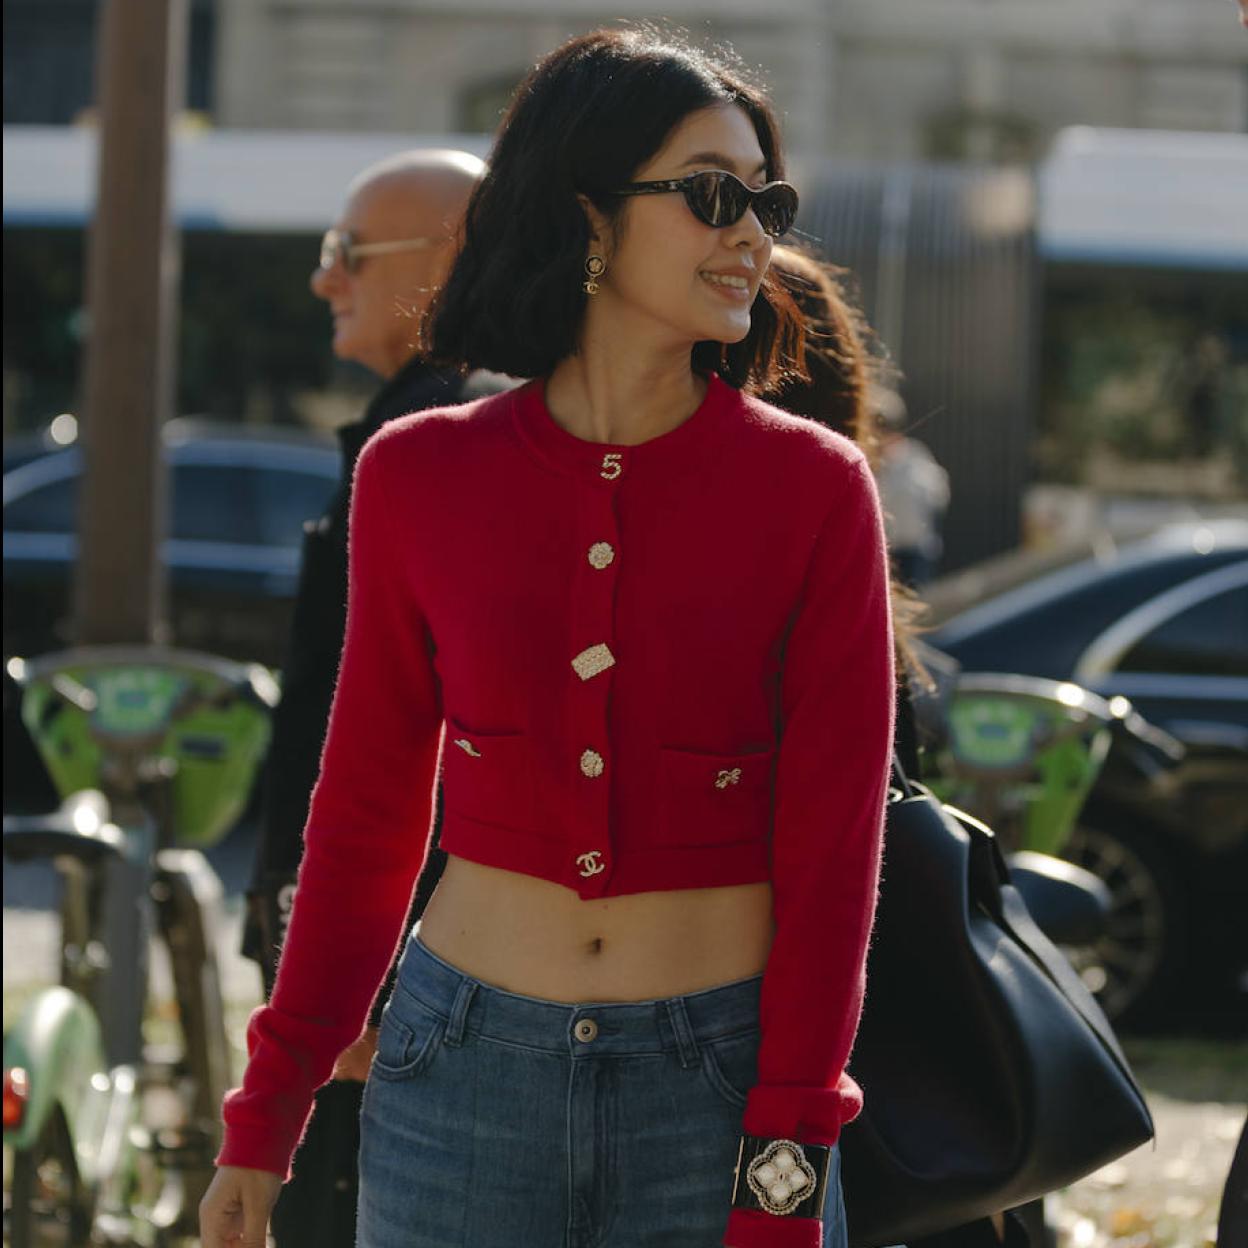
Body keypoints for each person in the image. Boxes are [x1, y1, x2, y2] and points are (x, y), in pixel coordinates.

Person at [202, 26, 894, 1248]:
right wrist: (267, 1116)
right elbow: (364, 815)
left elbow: (835, 855)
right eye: (712, 194)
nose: (752, 235)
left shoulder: (815, 490)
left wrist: (784, 1159)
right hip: (456, 1079)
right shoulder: (418, 473)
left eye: (766, 202)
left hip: (717, 1088)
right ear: (585, 209)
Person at [241, 146, 509, 1247]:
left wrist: (370, 968)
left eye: (346, 252)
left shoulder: (448, 444)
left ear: (445, 265)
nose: (324, 278)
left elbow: (443, 736)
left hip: (395, 979)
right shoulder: (424, 434)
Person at [871, 386, 950, 589]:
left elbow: (937, 493)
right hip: (884, 551)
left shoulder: (914, 456)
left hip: (914, 551)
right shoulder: (870, 462)